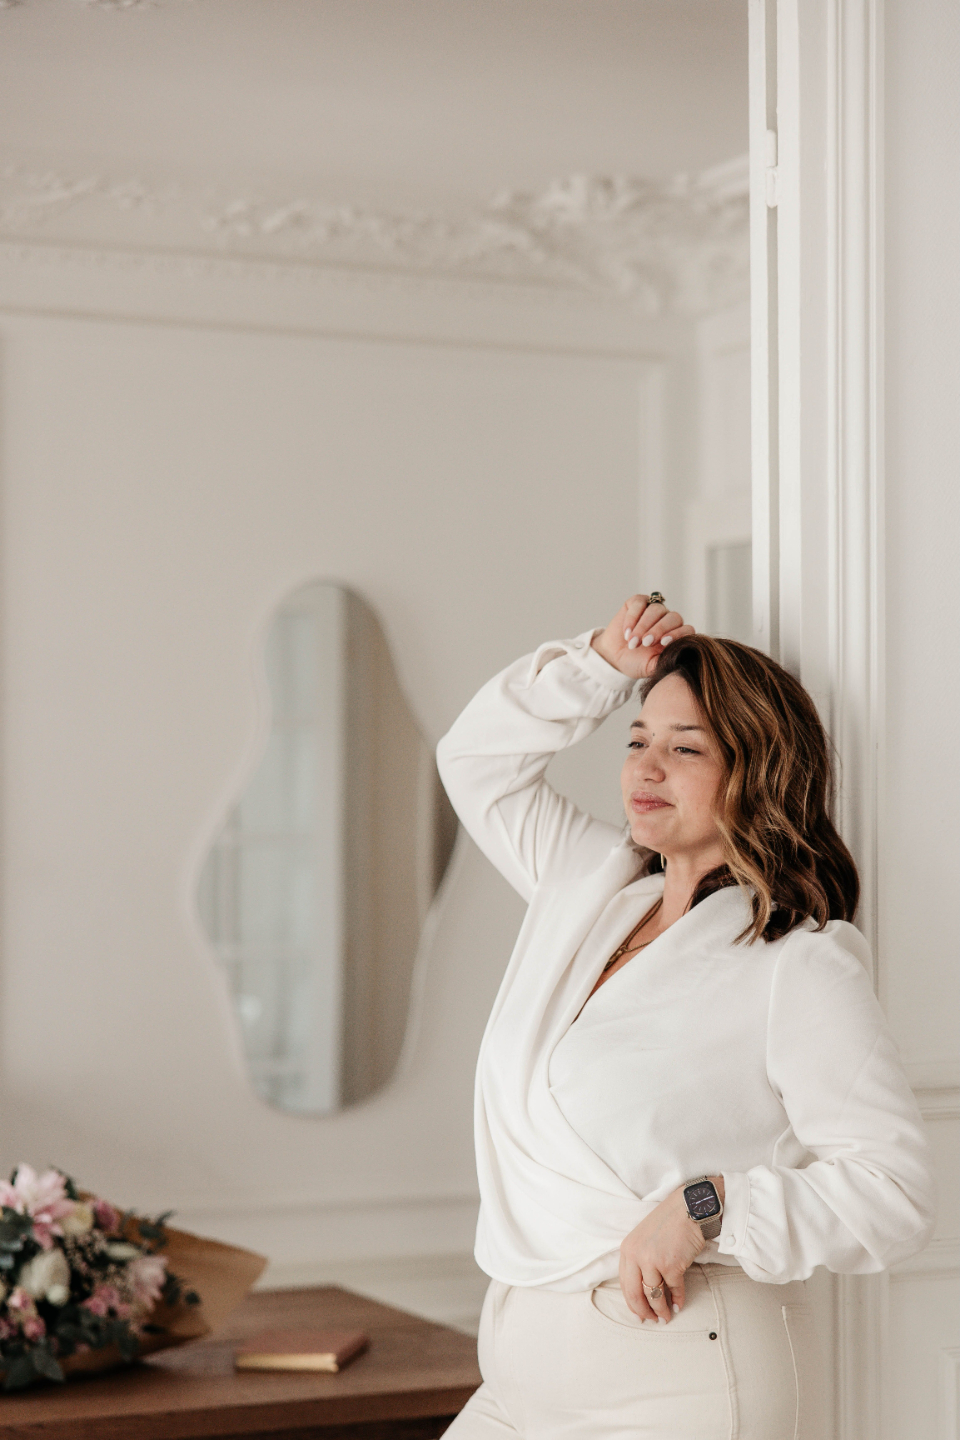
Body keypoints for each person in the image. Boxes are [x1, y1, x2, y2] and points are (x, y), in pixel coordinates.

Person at [436, 595, 935, 1440]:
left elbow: (895, 1195)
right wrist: (602, 662)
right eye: (637, 741)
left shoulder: (797, 962)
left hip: (682, 1383)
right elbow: (473, 759)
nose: (646, 769)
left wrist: (708, 1205)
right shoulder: (586, 886)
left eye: (685, 748)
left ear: (756, 772)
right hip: (519, 1379)